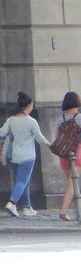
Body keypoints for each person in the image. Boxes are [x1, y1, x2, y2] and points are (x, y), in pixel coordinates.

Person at [0, 92, 51, 217]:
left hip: (14, 156)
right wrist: (49, 144)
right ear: (30, 105)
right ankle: (12, 202)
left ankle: (27, 208)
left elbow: (1, 132)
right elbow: (39, 138)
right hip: (28, 156)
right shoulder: (31, 121)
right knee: (22, 181)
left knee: (23, 181)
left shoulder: (11, 120)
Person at [55, 91, 81, 221]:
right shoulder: (79, 118)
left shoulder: (60, 119)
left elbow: (57, 137)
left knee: (73, 184)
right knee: (73, 184)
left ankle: (79, 210)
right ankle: (63, 212)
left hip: (63, 154)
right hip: (77, 153)